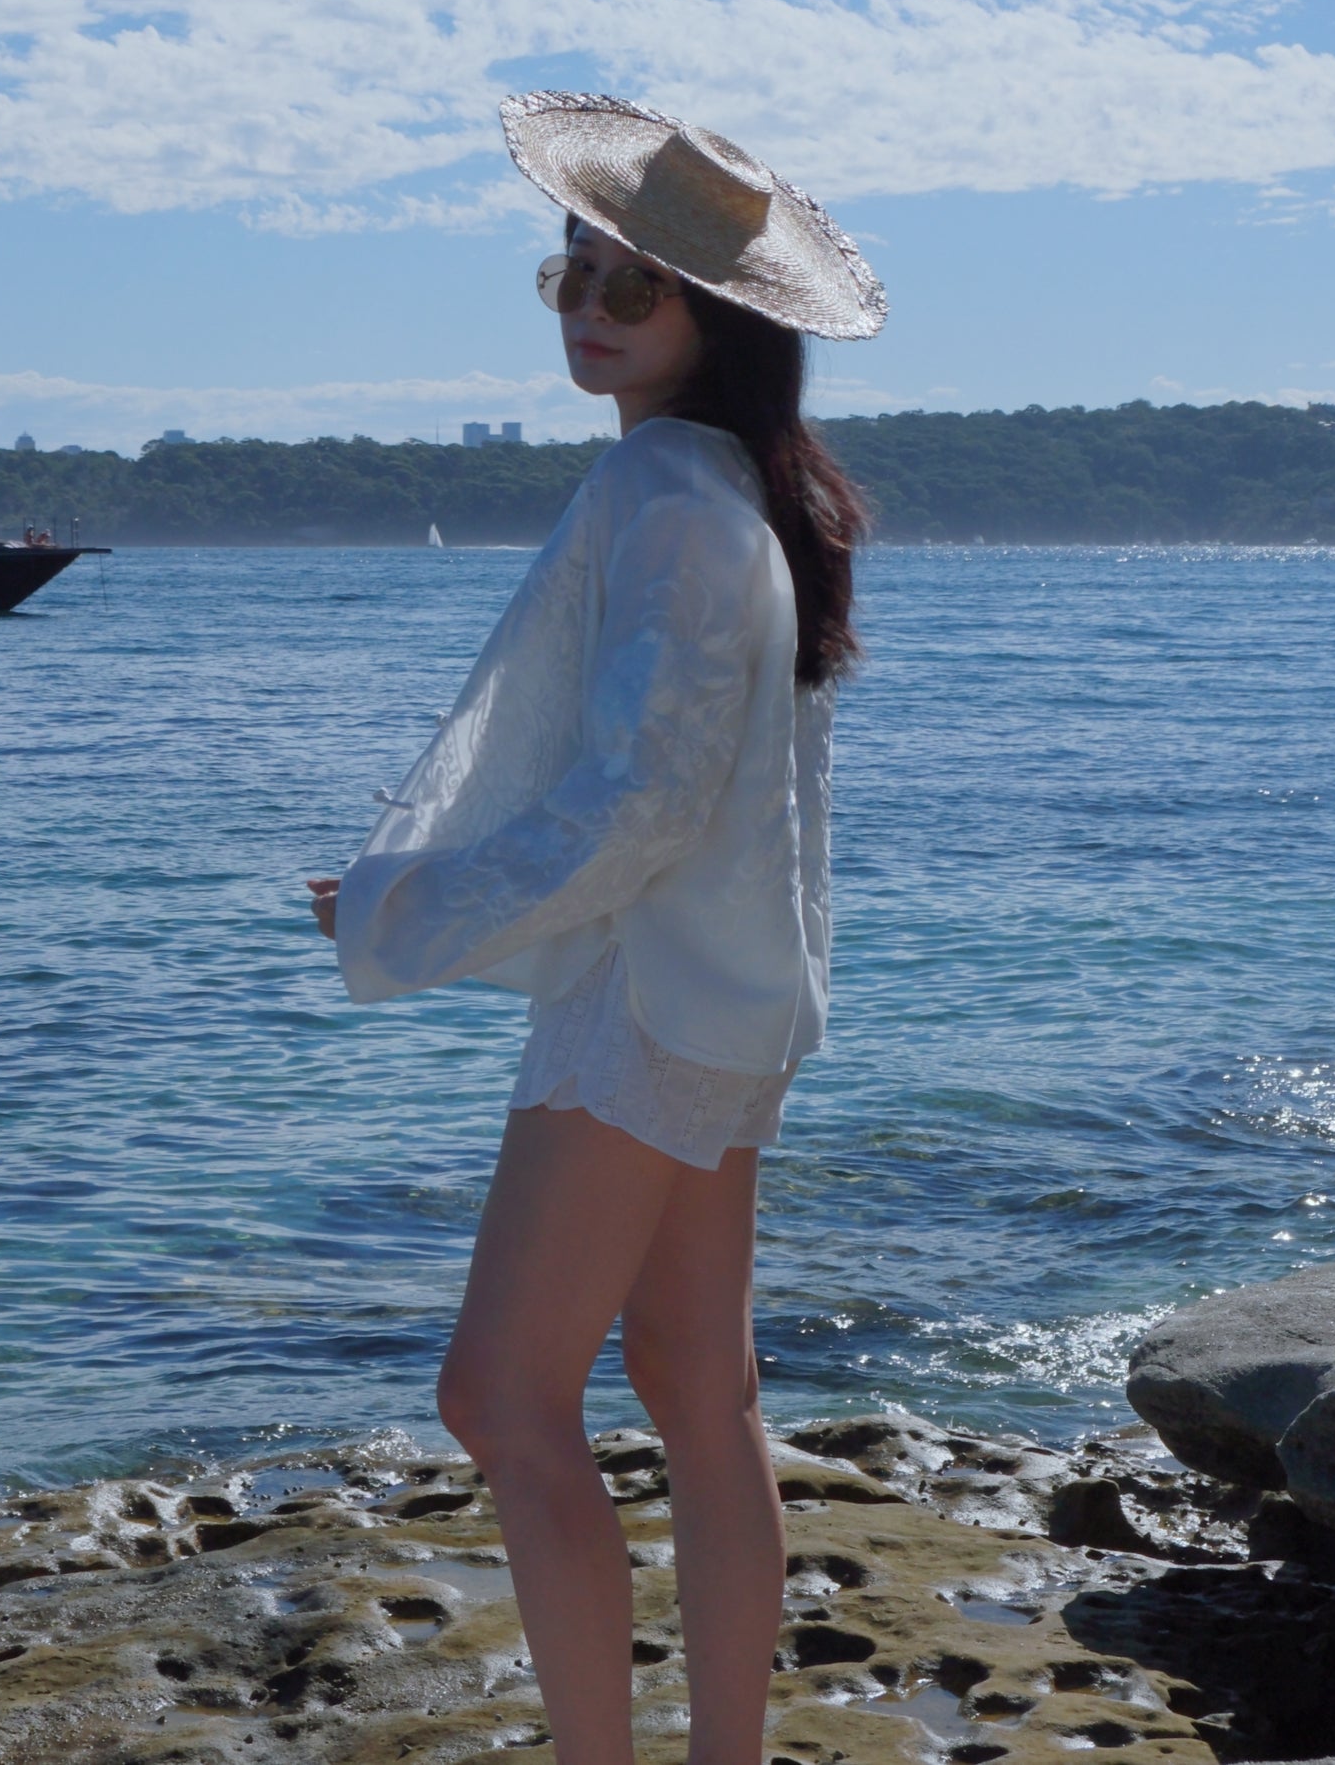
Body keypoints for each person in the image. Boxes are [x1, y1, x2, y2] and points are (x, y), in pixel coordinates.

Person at [307, 93, 886, 1765]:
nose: (584, 307)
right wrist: (422, 902)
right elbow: (680, 793)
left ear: (717, 322)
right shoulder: (722, 497)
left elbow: (641, 801)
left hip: (648, 1003)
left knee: (498, 1397)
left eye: (626, 287)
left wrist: (407, 911)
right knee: (701, 1401)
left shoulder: (680, 511)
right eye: (567, 271)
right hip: (719, 993)